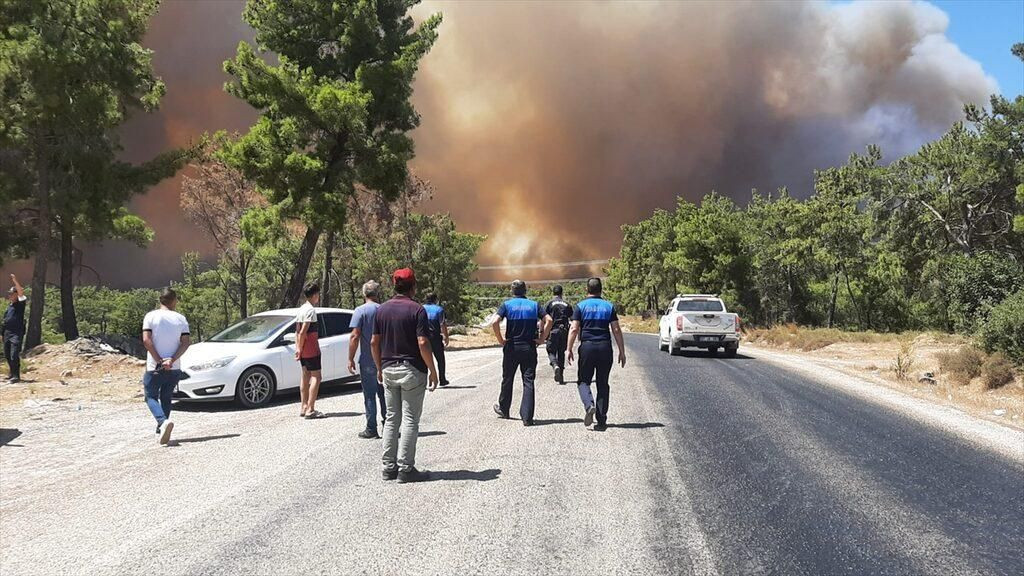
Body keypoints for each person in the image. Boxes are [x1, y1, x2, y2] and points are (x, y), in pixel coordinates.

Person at [371, 268, 439, 483]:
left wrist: (379, 367)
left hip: (389, 369)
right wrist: (433, 370)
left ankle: (388, 467)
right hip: (411, 369)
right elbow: (422, 342)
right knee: (410, 420)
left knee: (391, 419)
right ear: (413, 286)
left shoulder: (381, 310)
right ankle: (406, 469)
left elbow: (374, 342)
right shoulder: (417, 310)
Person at [566, 278, 626, 431]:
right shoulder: (609, 306)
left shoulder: (580, 306)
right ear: (601, 289)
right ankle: (601, 420)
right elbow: (616, 330)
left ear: (587, 289)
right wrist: (622, 351)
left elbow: (573, 329)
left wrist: (569, 349)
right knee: (602, 383)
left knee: (583, 381)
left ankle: (589, 405)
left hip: (587, 347)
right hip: (605, 347)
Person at [491, 279, 551, 426]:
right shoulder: (534, 305)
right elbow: (549, 320)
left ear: (512, 291)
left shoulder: (507, 305)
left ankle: (504, 409)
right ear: (525, 291)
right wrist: (542, 339)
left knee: (508, 378)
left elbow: (494, 322)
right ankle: (527, 417)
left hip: (511, 346)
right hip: (529, 347)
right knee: (528, 381)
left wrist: (500, 339)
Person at [141, 288, 190, 445]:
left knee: (150, 396)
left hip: (155, 366)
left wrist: (159, 360)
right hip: (175, 367)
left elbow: (146, 340)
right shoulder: (181, 319)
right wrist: (172, 359)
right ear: (174, 301)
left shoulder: (151, 316)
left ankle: (162, 422)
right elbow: (185, 342)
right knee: (166, 397)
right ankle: (161, 429)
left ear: (160, 300)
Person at [348, 280, 386, 439]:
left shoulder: (360, 311)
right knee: (385, 395)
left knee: (370, 395)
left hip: (368, 360)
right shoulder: (385, 310)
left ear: (364, 294)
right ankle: (390, 426)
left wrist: (350, 358)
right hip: (386, 360)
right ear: (377, 294)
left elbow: (355, 336)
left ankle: (371, 428)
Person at [296, 282, 325, 419]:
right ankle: (311, 408)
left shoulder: (301, 309)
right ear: (314, 295)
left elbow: (297, 332)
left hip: (302, 349)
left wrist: (298, 348)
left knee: (305, 375)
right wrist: (302, 346)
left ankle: (303, 406)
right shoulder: (310, 310)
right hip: (311, 347)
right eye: (318, 294)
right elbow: (303, 331)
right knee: (316, 376)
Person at [543, 284, 573, 384]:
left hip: (553, 330)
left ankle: (555, 365)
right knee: (561, 353)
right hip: (564, 331)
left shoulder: (549, 304)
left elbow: (544, 319)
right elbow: (572, 319)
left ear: (553, 293)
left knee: (550, 350)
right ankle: (561, 377)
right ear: (562, 293)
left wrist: (542, 333)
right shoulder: (567, 304)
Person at [423, 293, 450, 387]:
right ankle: (442, 379)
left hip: (423, 337)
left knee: (424, 359)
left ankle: (424, 381)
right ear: (435, 299)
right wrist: (446, 336)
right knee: (440, 359)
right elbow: (442, 324)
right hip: (435, 337)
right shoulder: (439, 309)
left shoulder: (421, 308)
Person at [3, 274, 26, 383]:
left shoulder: (20, 304)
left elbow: (21, 291)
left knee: (14, 354)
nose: (10, 295)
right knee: (7, 355)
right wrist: (1, 334)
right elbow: (4, 321)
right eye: (9, 294)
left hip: (16, 333)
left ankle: (16, 376)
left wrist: (15, 280)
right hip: (7, 333)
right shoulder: (9, 307)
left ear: (16, 295)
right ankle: (12, 374)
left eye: (12, 294)